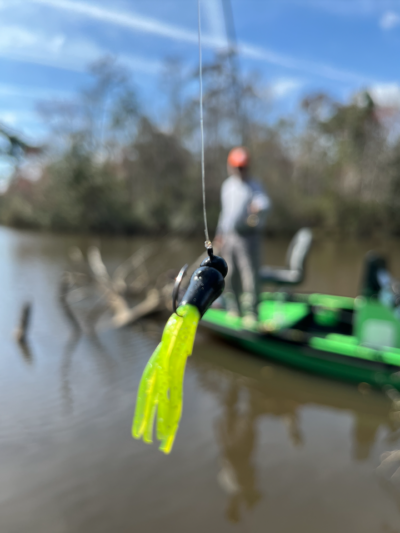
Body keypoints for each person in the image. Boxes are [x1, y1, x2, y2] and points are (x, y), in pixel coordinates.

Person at [214, 147, 270, 324]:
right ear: (230, 166)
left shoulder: (254, 185)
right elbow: (225, 214)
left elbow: (265, 203)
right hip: (230, 237)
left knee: (250, 276)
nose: (240, 170)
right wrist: (219, 234)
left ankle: (252, 313)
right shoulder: (227, 186)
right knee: (230, 275)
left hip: (249, 238)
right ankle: (234, 308)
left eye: (243, 167)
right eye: (237, 167)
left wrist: (258, 207)